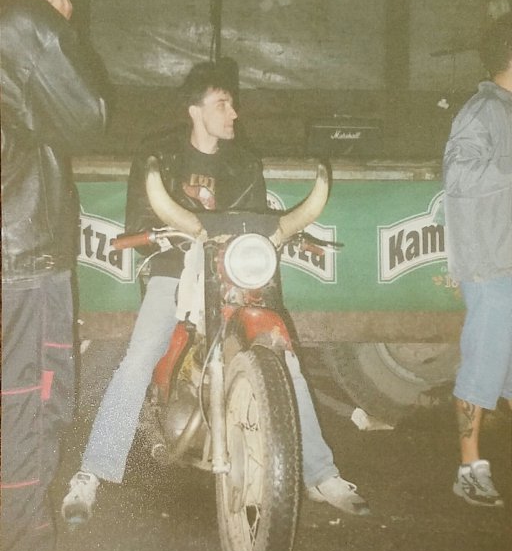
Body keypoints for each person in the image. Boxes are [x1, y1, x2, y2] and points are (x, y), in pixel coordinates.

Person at [62, 61, 370, 523]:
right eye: (222, 104)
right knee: (139, 357)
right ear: (195, 110)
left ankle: (322, 473)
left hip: (231, 271)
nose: (234, 113)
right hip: (175, 268)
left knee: (283, 357)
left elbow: (258, 220)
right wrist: (155, 234)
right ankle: (91, 472)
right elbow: (140, 220)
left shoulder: (244, 162)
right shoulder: (158, 155)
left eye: (232, 103)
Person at [1, 0, 109, 551]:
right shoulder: (21, 21)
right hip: (23, 258)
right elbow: (89, 116)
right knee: (29, 411)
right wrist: (57, 21)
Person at [443, 13, 512, 507]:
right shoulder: (482, 111)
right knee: (483, 366)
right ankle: (468, 470)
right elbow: (459, 177)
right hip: (491, 266)